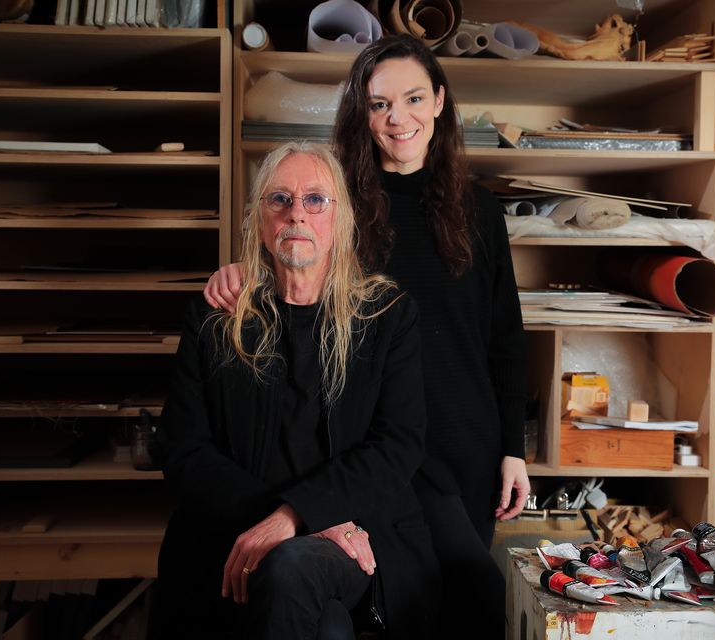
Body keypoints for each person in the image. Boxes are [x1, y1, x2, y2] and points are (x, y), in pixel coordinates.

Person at [204, 35, 529, 637]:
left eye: (411, 99)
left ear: (439, 101)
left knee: (462, 598)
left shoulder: (480, 210)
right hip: (369, 442)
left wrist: (514, 447)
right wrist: (242, 270)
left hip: (465, 444)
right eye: (379, 104)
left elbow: (504, 336)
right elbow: (289, 260)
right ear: (362, 113)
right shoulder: (339, 202)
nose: (397, 119)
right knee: (384, 599)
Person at [158, 141, 439, 640]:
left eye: (315, 200)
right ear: (258, 219)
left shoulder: (386, 316)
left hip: (354, 536)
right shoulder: (215, 317)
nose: (297, 214)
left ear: (341, 218)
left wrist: (300, 516)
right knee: (326, 626)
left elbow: (398, 444)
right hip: (232, 532)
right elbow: (183, 451)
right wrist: (286, 518)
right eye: (279, 199)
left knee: (292, 567)